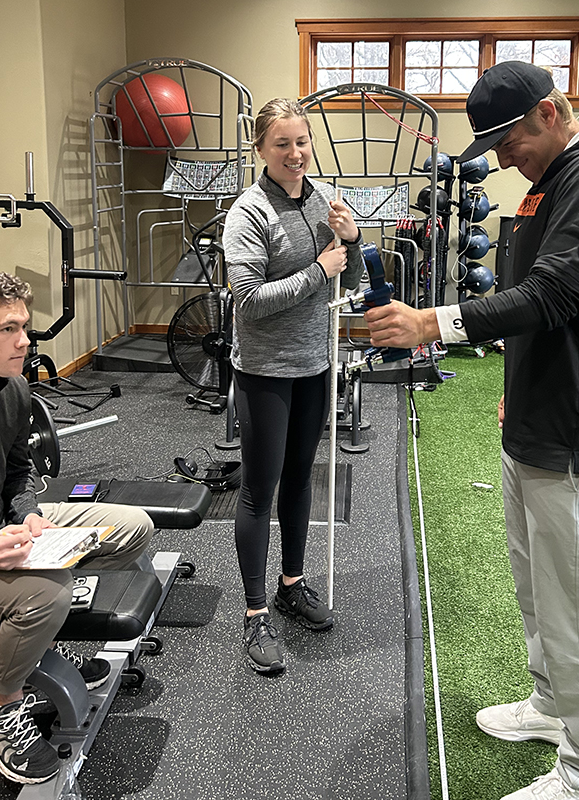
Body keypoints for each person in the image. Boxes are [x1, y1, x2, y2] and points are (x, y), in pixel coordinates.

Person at [365, 62, 579, 800]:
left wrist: (432, 323)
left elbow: (554, 295)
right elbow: (534, 306)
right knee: (538, 592)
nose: (500, 158)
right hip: (535, 413)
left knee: (571, 609)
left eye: (508, 140)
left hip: (576, 428)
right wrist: (514, 387)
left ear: (550, 113)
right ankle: (552, 707)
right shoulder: (551, 182)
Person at [0, 272, 155, 785]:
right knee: (47, 593)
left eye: (24, 327)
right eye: (8, 329)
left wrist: (27, 513)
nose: (25, 341)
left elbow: (17, 473)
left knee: (130, 528)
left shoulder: (12, 388)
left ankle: (36, 641)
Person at [222, 98, 363, 675]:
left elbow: (347, 277)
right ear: (261, 148)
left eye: (301, 141)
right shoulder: (248, 213)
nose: (295, 153)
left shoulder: (324, 200)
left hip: (315, 365)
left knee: (302, 478)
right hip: (265, 371)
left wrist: (353, 240)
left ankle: (291, 586)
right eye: (282, 143)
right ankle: (255, 613)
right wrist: (317, 271)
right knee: (260, 490)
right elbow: (250, 302)